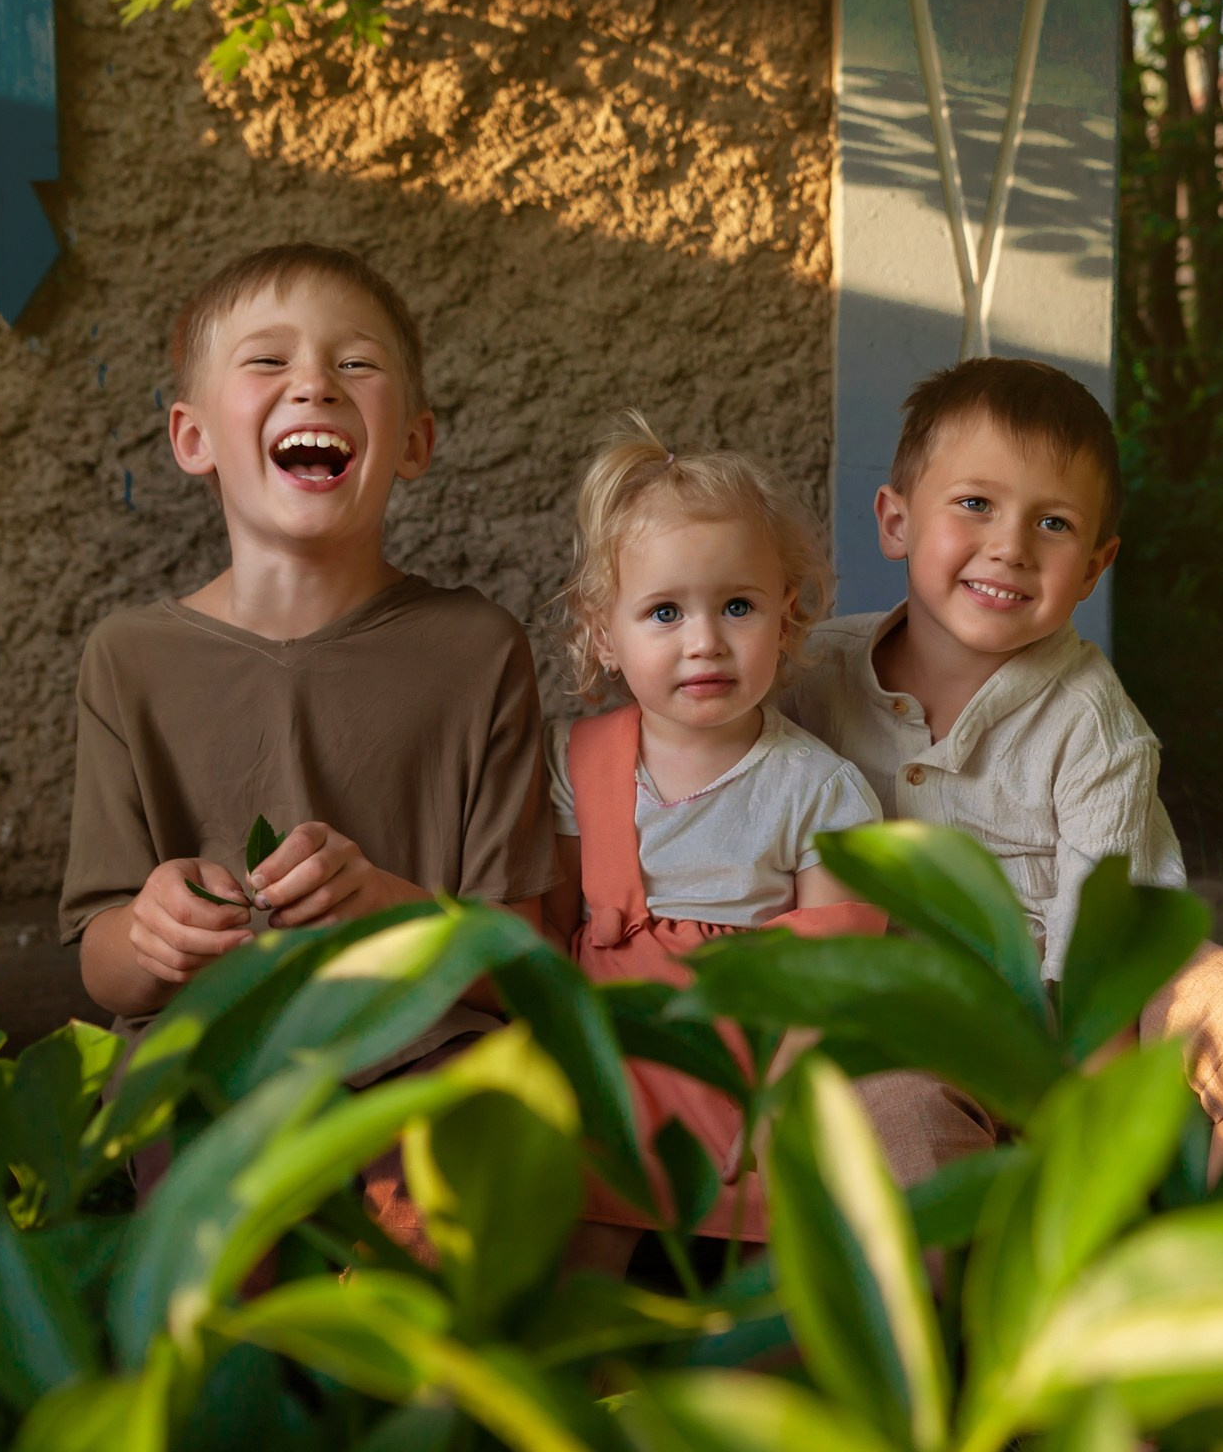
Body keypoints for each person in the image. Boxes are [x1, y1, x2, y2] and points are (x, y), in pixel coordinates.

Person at [780, 356, 1223, 1177]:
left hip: (1093, 990)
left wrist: (1094, 1146)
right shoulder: (812, 675)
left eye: (1053, 524)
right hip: (910, 1016)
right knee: (887, 1116)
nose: (1009, 547)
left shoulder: (1092, 719)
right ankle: (952, 1285)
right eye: (975, 504)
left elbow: (1106, 966)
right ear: (896, 521)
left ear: (1092, 566)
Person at [60, 242, 556, 1105]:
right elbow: (103, 966)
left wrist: (390, 909)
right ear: (193, 437)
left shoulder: (479, 648)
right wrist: (152, 933)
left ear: (413, 442)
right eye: (267, 360)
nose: (315, 383)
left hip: (424, 1059)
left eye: (355, 362)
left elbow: (522, 965)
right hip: (205, 1062)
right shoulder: (127, 660)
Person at [544, 414, 892, 1251]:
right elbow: (554, 938)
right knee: (583, 1255)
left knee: (765, 1282)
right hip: (610, 1070)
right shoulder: (576, 761)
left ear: (789, 617)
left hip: (746, 1075)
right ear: (604, 634)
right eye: (664, 612)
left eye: (737, 606)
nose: (705, 643)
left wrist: (779, 1109)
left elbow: (825, 978)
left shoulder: (820, 790)